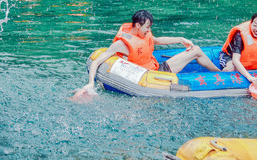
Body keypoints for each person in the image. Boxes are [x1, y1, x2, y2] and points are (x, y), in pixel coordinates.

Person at [75, 10, 220, 96]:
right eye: (147, 27)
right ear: (137, 25)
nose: (149, 31)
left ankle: (219, 72)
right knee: (196, 51)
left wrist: (181, 39)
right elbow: (96, 61)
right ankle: (222, 74)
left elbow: (155, 40)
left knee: (196, 50)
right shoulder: (122, 44)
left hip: (157, 68)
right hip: (152, 76)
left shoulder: (143, 33)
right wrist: (90, 83)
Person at [220, 12, 257, 85]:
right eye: (255, 25)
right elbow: (235, 60)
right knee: (231, 69)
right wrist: (249, 77)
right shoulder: (240, 34)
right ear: (251, 23)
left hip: (255, 57)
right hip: (230, 56)